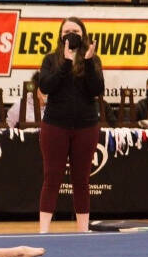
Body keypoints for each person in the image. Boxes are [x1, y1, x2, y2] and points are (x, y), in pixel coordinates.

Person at [38, 17, 105, 233]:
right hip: (55, 125)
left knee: (81, 179)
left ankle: (83, 230)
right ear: (60, 35)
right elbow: (46, 86)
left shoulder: (93, 59)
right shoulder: (51, 59)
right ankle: (43, 230)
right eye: (67, 30)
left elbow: (96, 89)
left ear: (83, 34)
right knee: (52, 176)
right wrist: (66, 63)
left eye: (75, 30)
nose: (71, 34)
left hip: (86, 126)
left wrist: (86, 61)